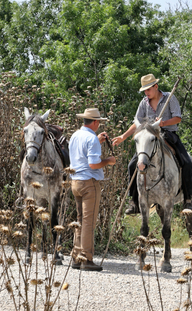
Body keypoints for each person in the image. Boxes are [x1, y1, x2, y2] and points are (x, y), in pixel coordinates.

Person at [112, 74, 192, 215]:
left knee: (186, 162)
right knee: (132, 165)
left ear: (156, 86)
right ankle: (134, 202)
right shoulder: (144, 103)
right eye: (144, 90)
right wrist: (123, 136)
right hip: (149, 138)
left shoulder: (170, 98)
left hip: (168, 135)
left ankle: (188, 199)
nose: (146, 93)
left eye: (148, 89)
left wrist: (163, 123)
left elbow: (177, 118)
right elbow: (137, 122)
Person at [69, 108, 116, 271]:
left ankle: (76, 256)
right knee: (89, 222)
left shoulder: (75, 135)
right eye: (99, 122)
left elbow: (82, 154)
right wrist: (108, 161)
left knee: (80, 220)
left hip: (75, 181)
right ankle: (86, 259)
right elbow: (93, 164)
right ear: (95, 122)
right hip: (89, 182)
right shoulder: (92, 139)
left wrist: (98, 141)